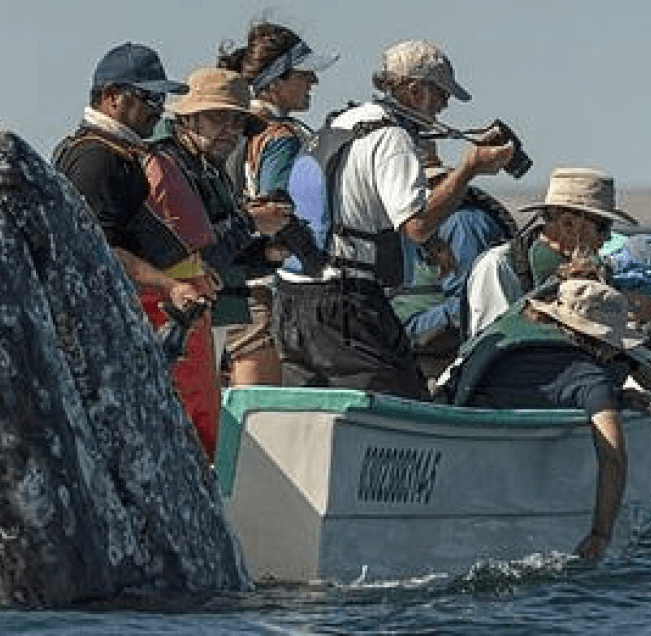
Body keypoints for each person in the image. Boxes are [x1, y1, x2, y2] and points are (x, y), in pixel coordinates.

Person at [273, 39, 513, 399]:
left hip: (292, 295)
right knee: (403, 408)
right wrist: (469, 168)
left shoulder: (342, 122)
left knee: (313, 414)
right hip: (345, 298)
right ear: (416, 91)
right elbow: (415, 226)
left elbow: (353, 203)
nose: (445, 105)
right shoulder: (392, 138)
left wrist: (433, 244)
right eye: (442, 94)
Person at [52, 43, 221, 458]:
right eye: (147, 98)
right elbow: (97, 248)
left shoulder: (110, 153)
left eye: (161, 99)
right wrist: (170, 285)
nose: (157, 110)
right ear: (112, 96)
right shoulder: (97, 160)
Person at [441, 272, 651, 559]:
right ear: (603, 343)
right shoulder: (589, 378)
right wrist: (601, 534)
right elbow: (613, 455)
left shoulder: (507, 342)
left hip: (455, 462)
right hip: (497, 486)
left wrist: (617, 396)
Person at [144, 67, 291, 457]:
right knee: (187, 427)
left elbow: (218, 255)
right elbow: (191, 254)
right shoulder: (167, 166)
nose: (230, 129)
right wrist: (250, 223)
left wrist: (268, 255)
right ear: (186, 118)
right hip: (177, 316)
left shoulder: (206, 167)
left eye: (238, 120)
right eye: (218, 117)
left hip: (206, 316)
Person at [217, 20, 338, 386]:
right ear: (274, 82)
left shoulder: (228, 126)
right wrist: (315, 263)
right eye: (304, 74)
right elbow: (280, 212)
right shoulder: (280, 137)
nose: (313, 82)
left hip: (226, 277)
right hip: (261, 290)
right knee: (262, 414)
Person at [393, 142, 515, 385]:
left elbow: (468, 307)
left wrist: (403, 330)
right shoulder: (424, 227)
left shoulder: (461, 224)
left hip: (440, 363)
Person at [465, 167, 639, 338]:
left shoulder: (595, 270)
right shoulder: (499, 266)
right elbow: (491, 343)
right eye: (602, 227)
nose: (608, 237)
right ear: (568, 224)